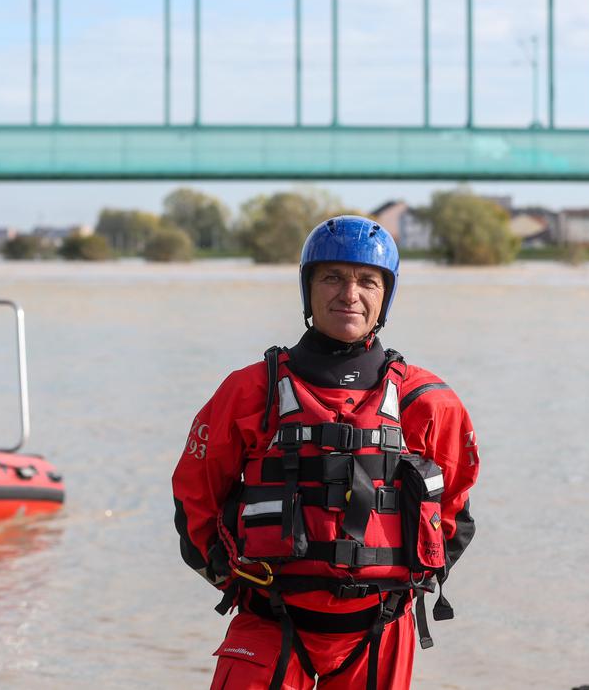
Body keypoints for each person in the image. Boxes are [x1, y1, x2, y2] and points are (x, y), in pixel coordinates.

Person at [172, 216, 479, 690]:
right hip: (270, 621)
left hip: (378, 629)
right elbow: (195, 496)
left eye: (367, 281)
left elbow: (456, 508)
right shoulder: (250, 390)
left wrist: (409, 582)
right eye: (332, 277)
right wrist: (233, 578)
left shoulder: (429, 400)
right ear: (308, 290)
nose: (349, 294)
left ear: (385, 296)